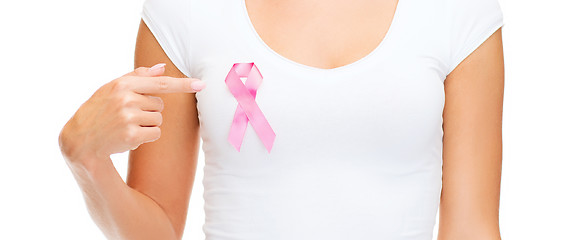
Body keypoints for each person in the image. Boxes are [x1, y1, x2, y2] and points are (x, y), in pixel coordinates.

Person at [58, 0, 505, 239]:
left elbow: (472, 228)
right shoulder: (185, 10)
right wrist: (86, 160)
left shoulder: (458, 11)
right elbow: (155, 234)